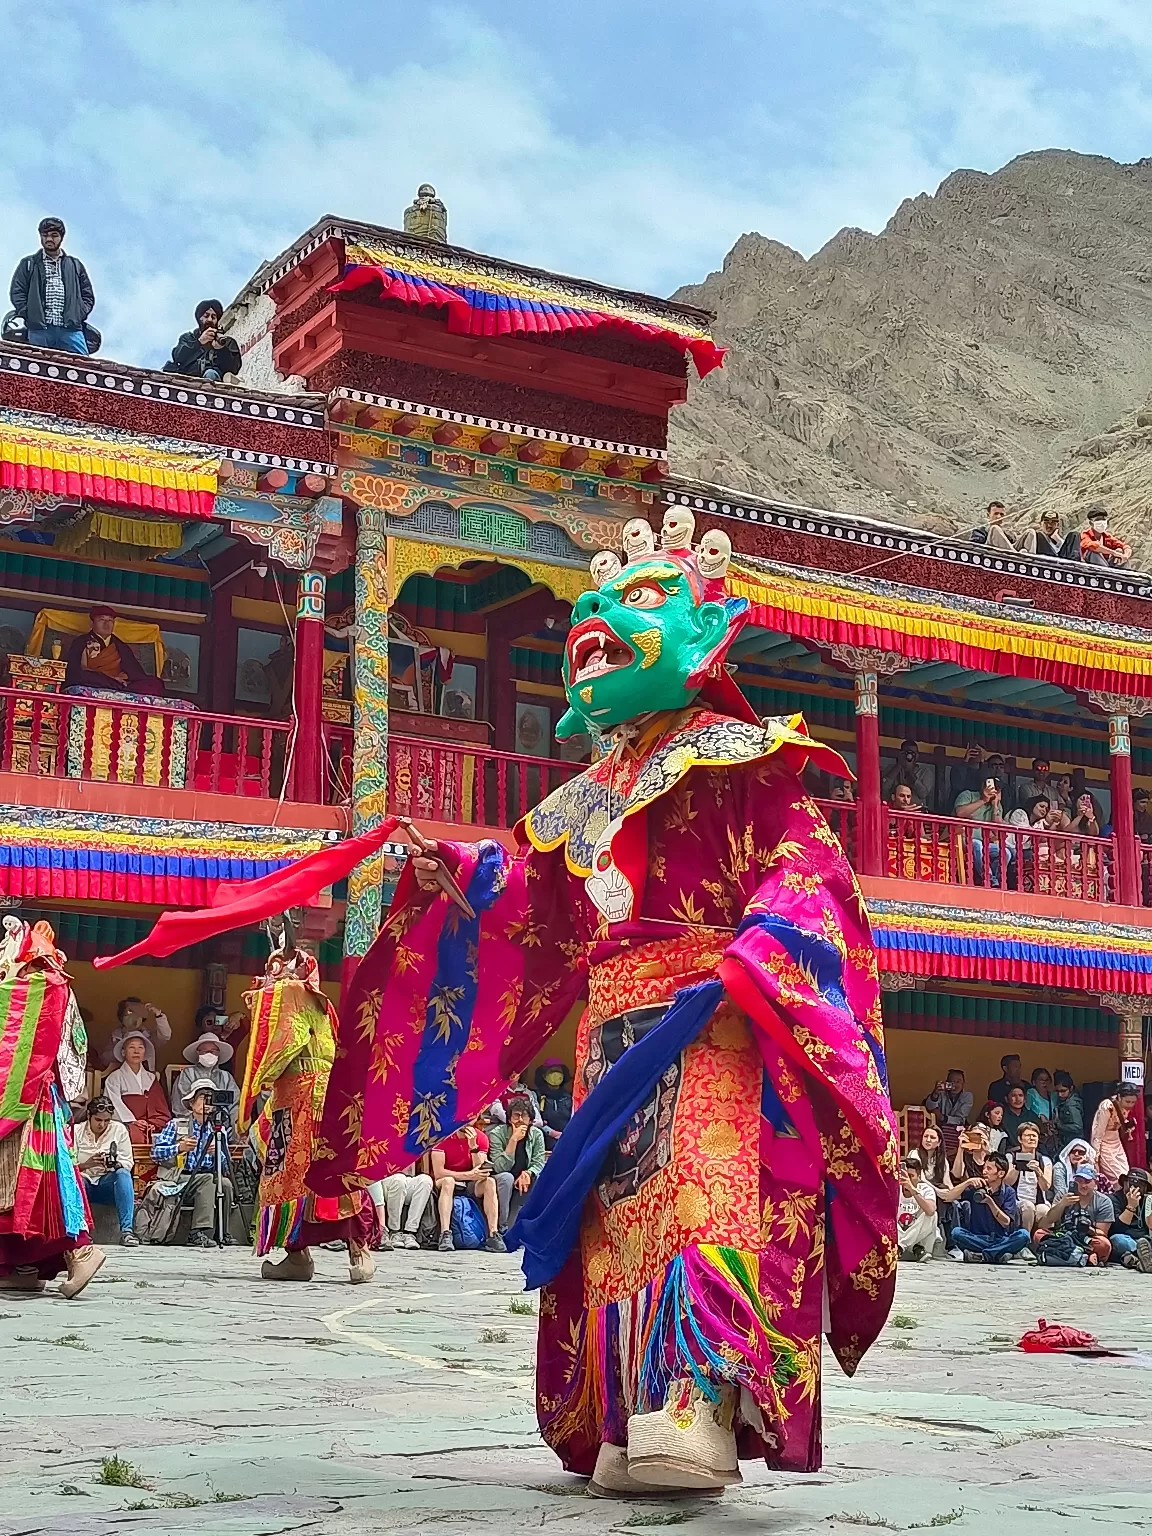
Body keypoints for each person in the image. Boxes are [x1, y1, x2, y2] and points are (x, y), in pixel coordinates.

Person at [311, 513, 897, 1497]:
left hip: (710, 1016)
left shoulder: (746, 760)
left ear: (705, 636)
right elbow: (531, 895)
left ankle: (694, 1409)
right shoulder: (589, 792)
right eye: (594, 603)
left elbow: (809, 867)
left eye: (639, 602)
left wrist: (762, 944)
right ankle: (625, 1415)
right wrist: (454, 870)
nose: (595, 616)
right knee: (614, 1227)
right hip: (608, 1033)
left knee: (699, 1202)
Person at [238, 942, 375, 1284]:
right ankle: (309, 1253)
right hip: (305, 1095)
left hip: (304, 1096)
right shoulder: (319, 1001)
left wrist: (257, 1080)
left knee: (308, 1171)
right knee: (311, 1170)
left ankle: (352, 1250)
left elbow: (284, 1043)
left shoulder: (292, 995)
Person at [0, 918, 105, 1298]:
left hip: (34, 1101)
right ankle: (21, 1265)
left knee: (44, 1182)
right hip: (23, 1098)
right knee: (15, 1185)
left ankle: (81, 1250)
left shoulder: (46, 986)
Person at [147, 1080, 236, 1248]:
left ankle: (222, 1232)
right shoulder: (176, 1124)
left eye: (211, 1099)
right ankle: (197, 1232)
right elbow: (156, 1153)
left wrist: (217, 1152)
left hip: (207, 1176)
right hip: (181, 1177)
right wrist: (178, 1147)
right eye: (202, 1097)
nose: (206, 1103)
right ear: (192, 1103)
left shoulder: (217, 1129)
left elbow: (225, 1166)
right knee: (207, 1180)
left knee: (226, 1184)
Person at [8, 217, 94, 355]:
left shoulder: (74, 265)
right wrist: (30, 314)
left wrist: (79, 314)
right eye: (45, 235)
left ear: (61, 238)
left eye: (54, 235)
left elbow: (87, 295)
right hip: (39, 329)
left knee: (84, 368)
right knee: (36, 367)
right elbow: (17, 292)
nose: (49, 239)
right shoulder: (29, 263)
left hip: (70, 329)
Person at [430, 1123, 505, 1254]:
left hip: (471, 1183)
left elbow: (480, 1170)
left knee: (490, 1182)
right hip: (446, 1180)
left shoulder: (481, 1137)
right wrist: (467, 1175)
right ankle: (445, 1234)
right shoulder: (442, 1136)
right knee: (448, 1181)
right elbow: (438, 1172)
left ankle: (493, 1234)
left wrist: (473, 1147)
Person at [74, 1095, 138, 1246]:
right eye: (98, 1120)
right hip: (85, 1182)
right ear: (89, 1116)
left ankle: (127, 1232)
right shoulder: (76, 1131)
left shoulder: (119, 1130)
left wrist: (113, 1164)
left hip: (106, 1183)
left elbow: (128, 1162)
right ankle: (81, 1232)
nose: (102, 1124)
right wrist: (86, 1164)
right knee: (76, 1180)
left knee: (123, 1175)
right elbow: (67, 1166)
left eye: (106, 1120)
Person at [947, 1152, 1030, 1264]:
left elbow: (1006, 1222)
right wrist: (967, 1183)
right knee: (956, 1233)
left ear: (1000, 1173)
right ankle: (997, 1254)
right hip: (978, 1238)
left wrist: (990, 1202)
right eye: (984, 1168)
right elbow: (948, 1197)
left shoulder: (1009, 1192)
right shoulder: (976, 1188)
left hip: (1001, 1238)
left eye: (989, 1169)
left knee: (1024, 1235)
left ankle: (983, 1255)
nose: (984, 1171)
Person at [65, 607, 165, 697]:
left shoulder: (120, 646)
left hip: (119, 683)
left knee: (155, 683)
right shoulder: (81, 642)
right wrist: (111, 678)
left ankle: (118, 688)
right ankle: (117, 687)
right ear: (92, 624)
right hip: (97, 680)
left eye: (110, 621)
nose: (107, 624)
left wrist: (126, 676)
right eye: (102, 620)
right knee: (82, 677)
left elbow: (136, 673)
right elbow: (78, 670)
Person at [1031, 1162, 1114, 1266]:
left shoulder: (1104, 1201)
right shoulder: (1063, 1194)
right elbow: (1045, 1222)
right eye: (1079, 1181)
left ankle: (1065, 1255)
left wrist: (1088, 1229)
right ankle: (1084, 1257)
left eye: (1087, 1181)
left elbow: (1103, 1233)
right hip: (1063, 1236)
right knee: (1039, 1234)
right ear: (1074, 1181)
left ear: (1095, 1183)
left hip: (1086, 1239)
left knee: (1104, 1245)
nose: (1083, 1185)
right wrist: (1062, 1204)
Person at [488, 1096, 547, 1234]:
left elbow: (538, 1162)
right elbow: (499, 1167)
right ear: (509, 1119)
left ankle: (533, 1229)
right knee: (507, 1177)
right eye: (516, 1116)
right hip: (501, 1179)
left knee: (538, 1178)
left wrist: (528, 1173)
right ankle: (500, 1228)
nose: (520, 1120)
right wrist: (513, 1140)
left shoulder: (536, 1134)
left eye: (524, 1116)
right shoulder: (497, 1133)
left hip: (523, 1181)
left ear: (531, 1121)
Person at [104, 1031, 171, 1139]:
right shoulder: (114, 1078)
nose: (136, 1051)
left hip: (149, 1124)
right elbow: (114, 1105)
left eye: (140, 1047)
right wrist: (133, 1121)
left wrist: (152, 1124)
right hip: (126, 1124)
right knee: (133, 1136)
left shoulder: (151, 1078)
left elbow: (160, 1109)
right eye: (131, 1047)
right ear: (123, 1052)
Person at [954, 772, 1013, 885]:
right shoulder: (968, 795)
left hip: (985, 843)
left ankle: (994, 879)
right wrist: (984, 800)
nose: (994, 791)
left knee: (1006, 853)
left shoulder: (996, 805)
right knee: (977, 845)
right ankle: (988, 878)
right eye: (992, 787)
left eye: (998, 789)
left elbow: (997, 831)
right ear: (983, 786)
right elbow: (960, 812)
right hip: (964, 840)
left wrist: (995, 806)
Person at [164, 299, 242, 382]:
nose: (209, 319)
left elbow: (234, 368)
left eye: (213, 317)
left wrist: (221, 350)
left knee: (210, 374)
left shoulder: (227, 342)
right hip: (187, 381)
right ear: (199, 318)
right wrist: (199, 342)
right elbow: (178, 357)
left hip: (214, 382)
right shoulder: (188, 338)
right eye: (206, 316)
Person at [168, 1031, 239, 1123]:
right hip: (192, 1126)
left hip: (222, 1125)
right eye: (205, 1051)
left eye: (213, 1051)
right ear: (198, 1053)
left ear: (218, 1054)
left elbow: (235, 1104)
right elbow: (180, 1106)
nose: (209, 1054)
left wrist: (228, 1125)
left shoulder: (226, 1077)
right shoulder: (187, 1073)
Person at [1004, 1121, 1053, 1232]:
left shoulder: (1045, 1160)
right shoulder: (1010, 1157)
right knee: (1028, 1207)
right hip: (1017, 1200)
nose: (1031, 1138)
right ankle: (1025, 1241)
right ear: (1020, 1139)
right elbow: (1007, 1183)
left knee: (1044, 1210)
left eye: (1034, 1136)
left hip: (1039, 1200)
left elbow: (1046, 1187)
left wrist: (1038, 1171)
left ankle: (1042, 1242)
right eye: (1027, 1135)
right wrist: (1018, 1167)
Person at [103, 995, 172, 1067]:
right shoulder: (115, 1036)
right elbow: (105, 1059)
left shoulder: (149, 1036)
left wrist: (158, 1015)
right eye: (129, 1013)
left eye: (138, 1015)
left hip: (146, 1075)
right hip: (121, 1075)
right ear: (121, 1017)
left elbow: (165, 1036)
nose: (134, 1018)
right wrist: (121, 1050)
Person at [1091, 1086, 1140, 1188]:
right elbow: (1098, 1133)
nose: (1130, 1105)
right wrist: (1095, 1156)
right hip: (1103, 1142)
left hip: (1116, 1141)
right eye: (1127, 1102)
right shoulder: (1107, 1106)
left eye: (1133, 1102)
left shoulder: (1126, 1107)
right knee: (1116, 1176)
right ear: (1119, 1097)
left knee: (1126, 1173)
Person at [378, 1164, 435, 1248]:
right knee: (399, 1179)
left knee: (426, 1180)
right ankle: (394, 1232)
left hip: (408, 1179)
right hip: (387, 1179)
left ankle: (410, 1233)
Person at [1107, 1168, 1152, 1271]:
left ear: (1145, 1188)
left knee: (1145, 1242)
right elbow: (1117, 1229)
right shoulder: (1113, 1199)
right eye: (1131, 1183)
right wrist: (1131, 1206)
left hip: (1145, 1239)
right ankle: (1143, 1256)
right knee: (1117, 1239)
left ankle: (1138, 1261)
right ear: (1124, 1183)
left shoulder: (1147, 1200)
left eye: (1139, 1184)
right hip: (1126, 1239)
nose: (1134, 1187)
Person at [897, 1153, 938, 1261]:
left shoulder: (926, 1189)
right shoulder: (894, 1188)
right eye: (905, 1175)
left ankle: (901, 1245)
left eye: (911, 1176)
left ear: (919, 1177)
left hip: (914, 1239)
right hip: (902, 1238)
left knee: (932, 1214)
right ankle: (911, 1247)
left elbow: (930, 1211)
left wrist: (913, 1190)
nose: (907, 1179)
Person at [882, 740, 934, 809]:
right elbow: (883, 788)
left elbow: (923, 794)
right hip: (894, 810)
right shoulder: (891, 769)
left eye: (913, 753)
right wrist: (899, 764)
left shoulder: (925, 772)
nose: (909, 755)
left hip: (915, 813)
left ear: (917, 755)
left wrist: (909, 771)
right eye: (906, 753)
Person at [534, 1059, 573, 1149]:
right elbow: (535, 1120)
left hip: (566, 1137)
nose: (556, 1074)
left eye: (559, 1071)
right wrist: (552, 1133)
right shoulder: (537, 1095)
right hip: (545, 1138)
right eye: (552, 1071)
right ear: (544, 1076)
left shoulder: (569, 1097)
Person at [1025, 1068, 1059, 1147]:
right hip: (1037, 1132)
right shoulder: (1031, 1093)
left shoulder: (1054, 1096)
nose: (1045, 1083)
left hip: (1052, 1133)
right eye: (1041, 1080)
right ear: (1034, 1082)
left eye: (1047, 1080)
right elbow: (1026, 1111)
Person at [1052, 1071, 1084, 1146]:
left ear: (1071, 1088)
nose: (1060, 1094)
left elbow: (1078, 1127)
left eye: (1063, 1091)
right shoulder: (1065, 1101)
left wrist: (1059, 1125)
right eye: (1057, 1091)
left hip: (1073, 1142)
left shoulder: (1071, 1105)